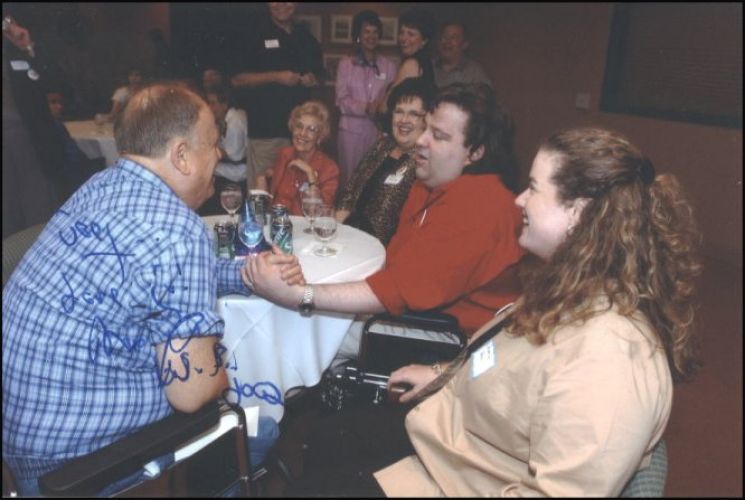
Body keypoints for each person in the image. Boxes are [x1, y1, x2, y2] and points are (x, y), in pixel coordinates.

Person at [281, 127, 703, 497]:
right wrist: (446, 375)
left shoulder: (612, 361)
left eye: (535, 189)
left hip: (462, 478)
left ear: (579, 214)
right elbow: (515, 362)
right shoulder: (573, 284)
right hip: (458, 442)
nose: (520, 199)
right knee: (327, 437)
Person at [2, 83, 304, 496]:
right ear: (181, 155)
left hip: (20, 451)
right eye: (213, 145)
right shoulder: (177, 229)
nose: (219, 156)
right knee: (262, 427)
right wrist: (224, 375)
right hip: (81, 470)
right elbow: (192, 394)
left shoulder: (100, 187)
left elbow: (150, 273)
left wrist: (249, 273)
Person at [246, 84, 523, 355]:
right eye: (425, 127)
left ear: (475, 153)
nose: (421, 140)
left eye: (438, 135)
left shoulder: (480, 204)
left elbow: (394, 292)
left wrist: (299, 295)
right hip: (414, 312)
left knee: (298, 334)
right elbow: (397, 270)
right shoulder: (427, 184)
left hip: (451, 336)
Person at [230, 2, 325, 191]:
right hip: (266, 134)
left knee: (296, 194)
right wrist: (276, 76)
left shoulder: (305, 37)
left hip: (301, 135)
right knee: (261, 194)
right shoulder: (252, 34)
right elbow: (237, 79)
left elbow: (320, 76)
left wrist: (312, 79)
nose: (282, 5)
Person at [336, 77, 434, 246]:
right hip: (349, 239)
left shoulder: (425, 162)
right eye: (399, 111)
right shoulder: (382, 145)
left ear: (427, 121)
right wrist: (337, 233)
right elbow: (350, 191)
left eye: (413, 114)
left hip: (386, 251)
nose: (403, 120)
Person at [3, 12, 65, 237]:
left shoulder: (14, 48)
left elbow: (53, 82)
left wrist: (27, 46)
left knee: (37, 212)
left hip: (27, 137)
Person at [335, 10, 397, 187]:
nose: (371, 36)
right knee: (349, 181)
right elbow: (341, 100)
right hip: (350, 133)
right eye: (366, 32)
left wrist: (381, 107)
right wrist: (366, 107)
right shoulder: (346, 64)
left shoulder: (389, 66)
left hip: (377, 133)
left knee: (373, 182)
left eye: (375, 32)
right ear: (358, 36)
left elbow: (390, 99)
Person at [269, 100, 339, 215]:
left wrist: (310, 174)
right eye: (299, 126)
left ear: (320, 137)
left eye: (311, 129)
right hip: (278, 223)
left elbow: (318, 214)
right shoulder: (285, 154)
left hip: (305, 228)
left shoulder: (329, 168)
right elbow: (273, 196)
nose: (302, 133)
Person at [378, 8, 436, 114]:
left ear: (424, 40)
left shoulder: (411, 64)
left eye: (411, 34)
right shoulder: (426, 63)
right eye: (401, 32)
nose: (403, 38)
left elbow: (384, 108)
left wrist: (377, 107)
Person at [434, 22, 493, 89]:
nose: (448, 41)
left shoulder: (474, 72)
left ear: (464, 44)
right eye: (444, 36)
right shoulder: (428, 67)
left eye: (453, 38)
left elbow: (486, 96)